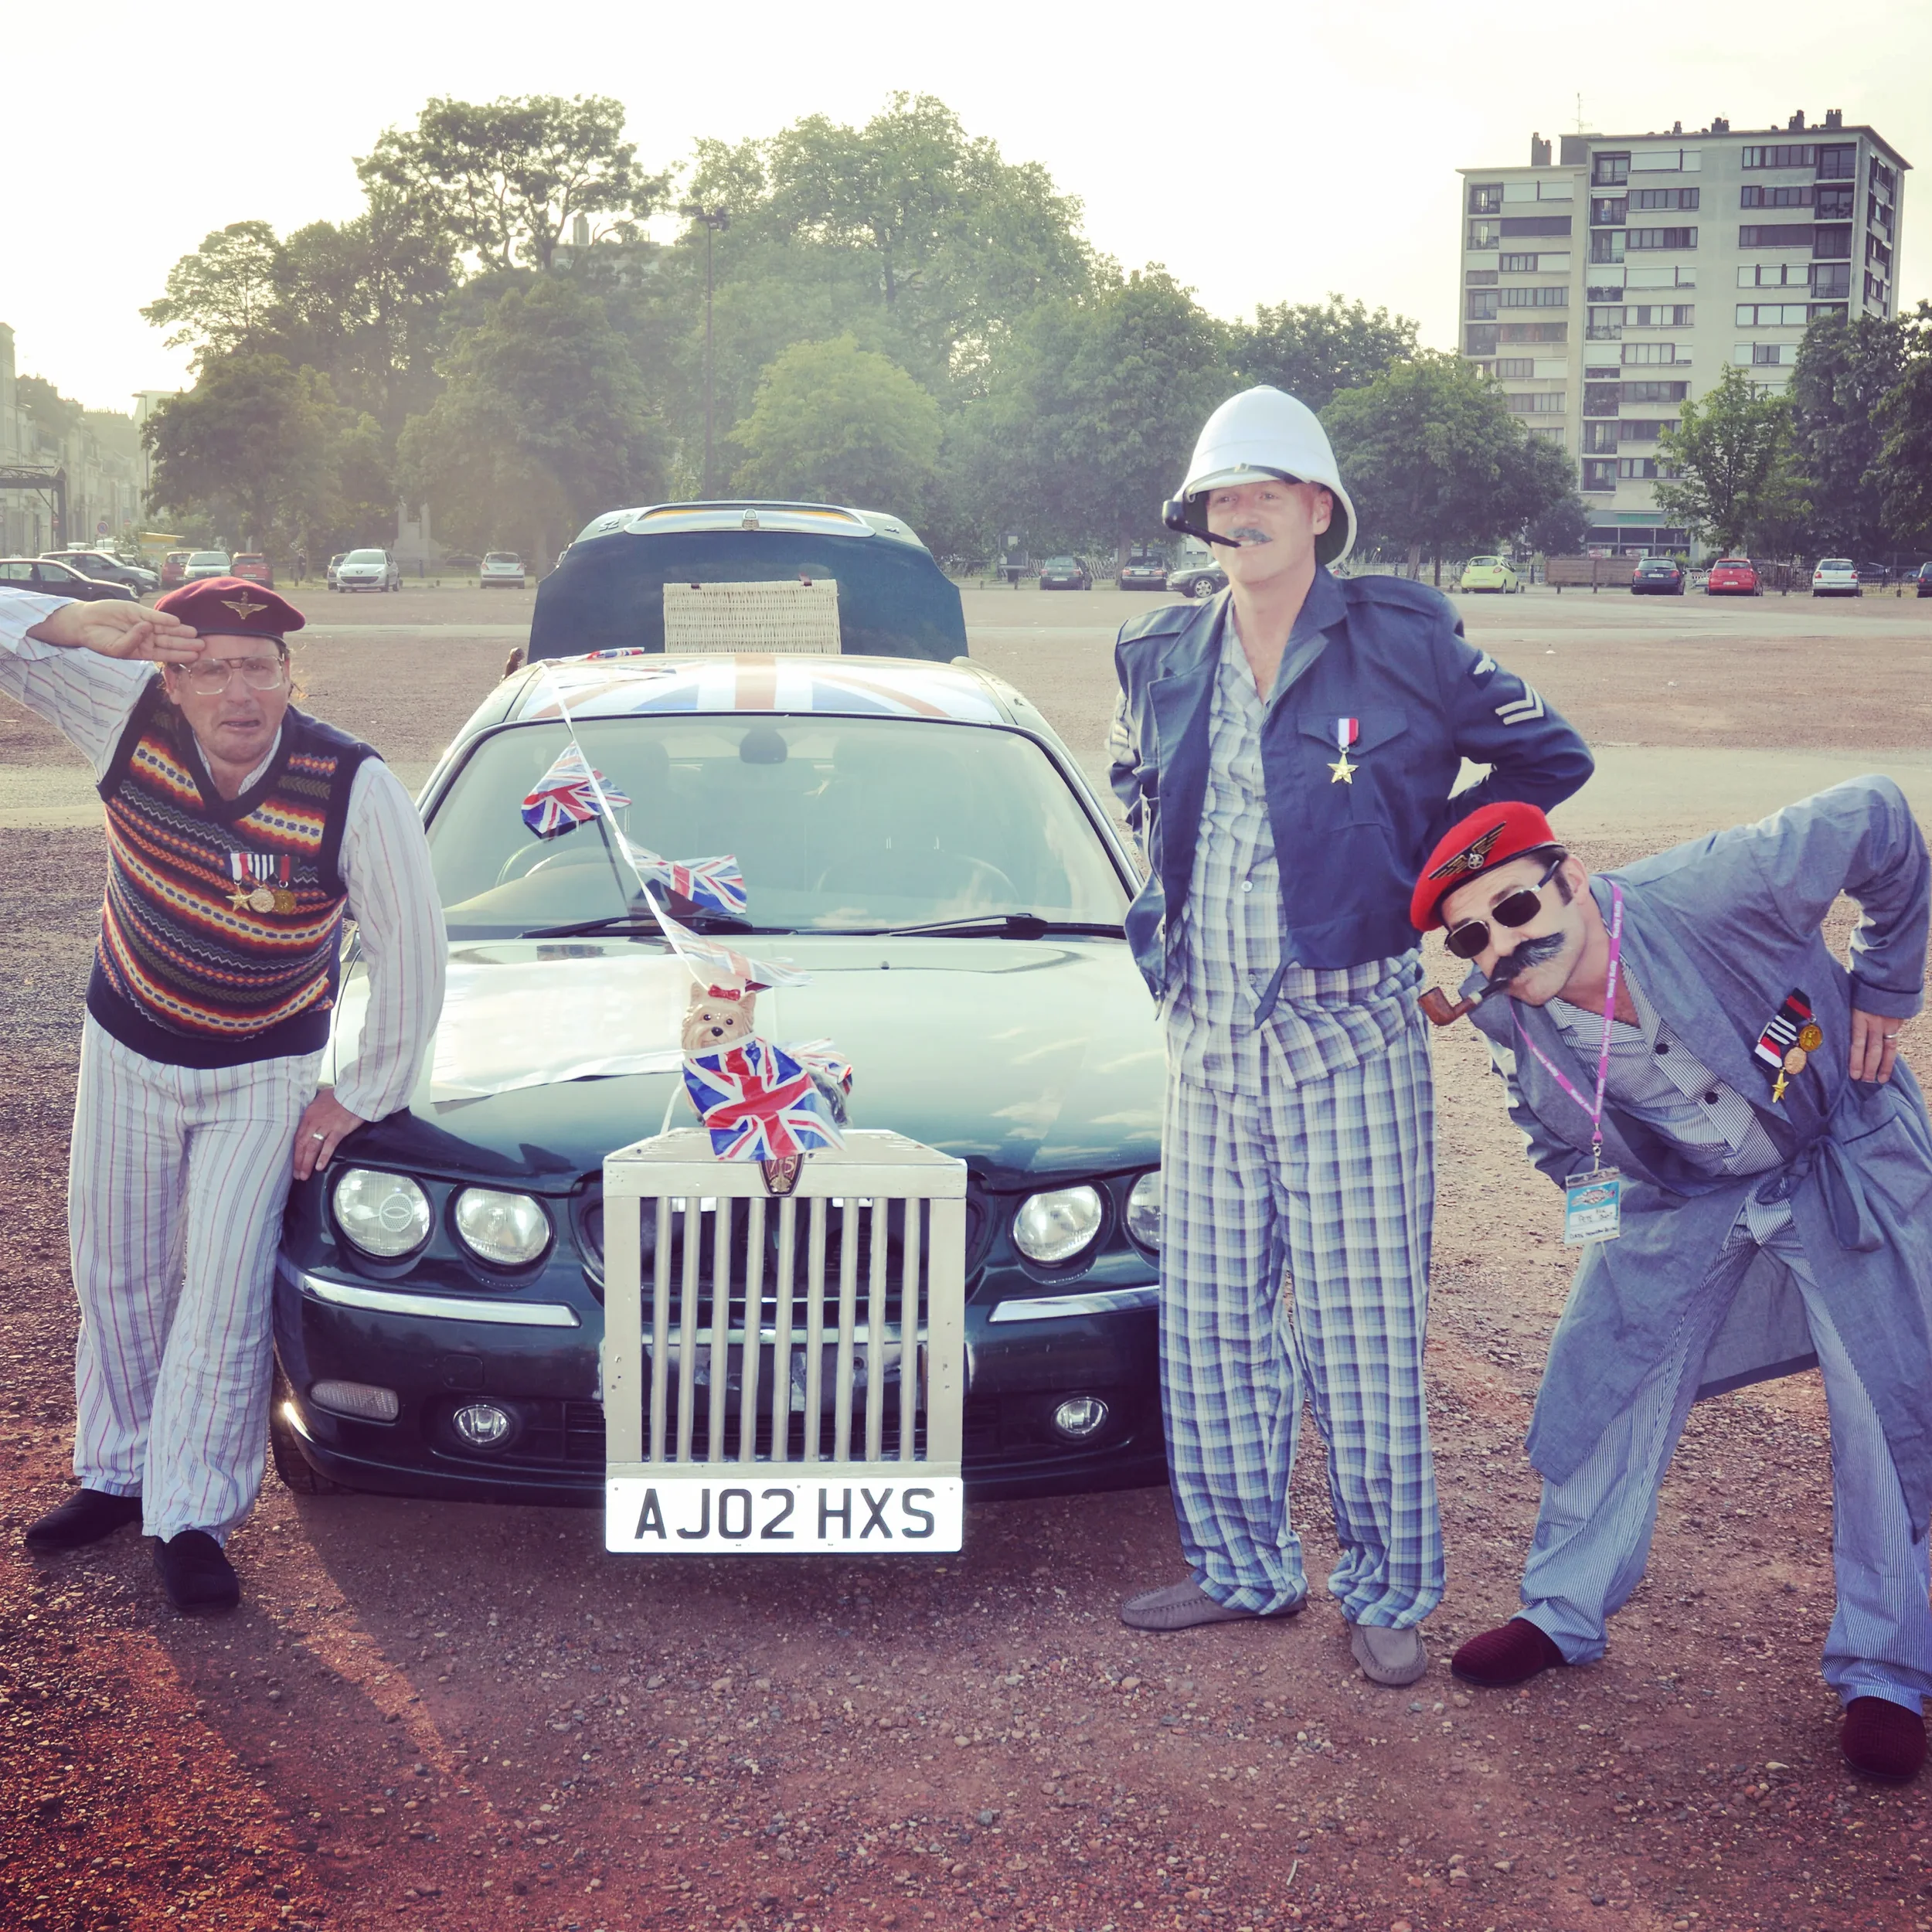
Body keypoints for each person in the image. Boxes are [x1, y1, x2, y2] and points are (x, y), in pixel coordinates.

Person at [1106, 386, 1594, 1686]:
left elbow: (1552, 754)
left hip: (1348, 1031)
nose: (1241, 512)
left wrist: (1440, 869)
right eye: (1222, 495)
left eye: (1267, 491)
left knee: (1361, 1320)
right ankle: (1244, 1570)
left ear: (1319, 509)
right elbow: (1136, 787)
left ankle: (1389, 1586)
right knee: (1211, 1316)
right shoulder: (1158, 651)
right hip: (1207, 1036)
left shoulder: (1408, 641)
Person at [1412, 786, 1932, 1780]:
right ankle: (1559, 1610)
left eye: (1517, 907)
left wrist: (1885, 986)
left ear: (1569, 878)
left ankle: (1885, 1668)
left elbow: (1878, 815)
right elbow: (1548, 1133)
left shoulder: (1712, 888)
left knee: (1880, 1397)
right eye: (1470, 935)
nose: (1501, 945)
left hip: (1839, 1156)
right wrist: (1591, 1198)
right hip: (1685, 1191)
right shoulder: (1503, 1015)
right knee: (1605, 1366)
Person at [1, 578, 445, 1614]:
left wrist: (361, 1091)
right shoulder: (123, 711)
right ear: (171, 676)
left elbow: (410, 945)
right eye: (208, 668)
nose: (235, 690)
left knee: (223, 1288)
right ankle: (116, 1472)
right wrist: (70, 623)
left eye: (258, 668)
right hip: (130, 1042)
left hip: (265, 1066)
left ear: (291, 675)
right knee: (116, 1266)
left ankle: (189, 1513)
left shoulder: (351, 782)